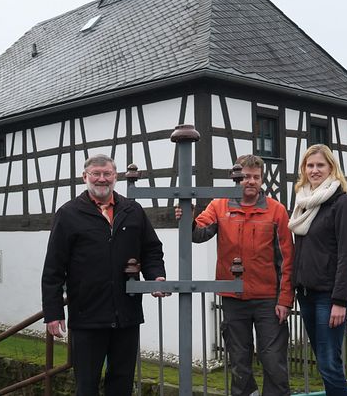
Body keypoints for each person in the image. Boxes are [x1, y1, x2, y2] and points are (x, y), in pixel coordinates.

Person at [41, 154, 168, 396]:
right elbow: (54, 268)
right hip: (87, 315)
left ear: (115, 176)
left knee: (121, 384)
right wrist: (53, 313)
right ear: (85, 177)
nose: (102, 179)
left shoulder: (133, 211)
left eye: (107, 173)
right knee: (87, 386)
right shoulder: (68, 214)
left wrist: (155, 276)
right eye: (96, 174)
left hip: (126, 314)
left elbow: (151, 250)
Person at [175, 154, 294, 396]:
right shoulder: (219, 206)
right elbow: (199, 233)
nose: (250, 181)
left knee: (274, 362)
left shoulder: (277, 211)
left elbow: (287, 259)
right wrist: (187, 219)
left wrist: (284, 300)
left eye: (256, 177)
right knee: (239, 362)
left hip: (267, 300)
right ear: (236, 178)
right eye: (245, 177)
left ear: (262, 180)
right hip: (233, 297)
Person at [289, 144, 347, 396]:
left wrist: (340, 300)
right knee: (324, 361)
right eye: (310, 165)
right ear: (303, 170)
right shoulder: (304, 204)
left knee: (330, 364)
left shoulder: (343, 204)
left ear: (332, 168)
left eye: (320, 165)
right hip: (306, 294)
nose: (314, 170)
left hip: (329, 297)